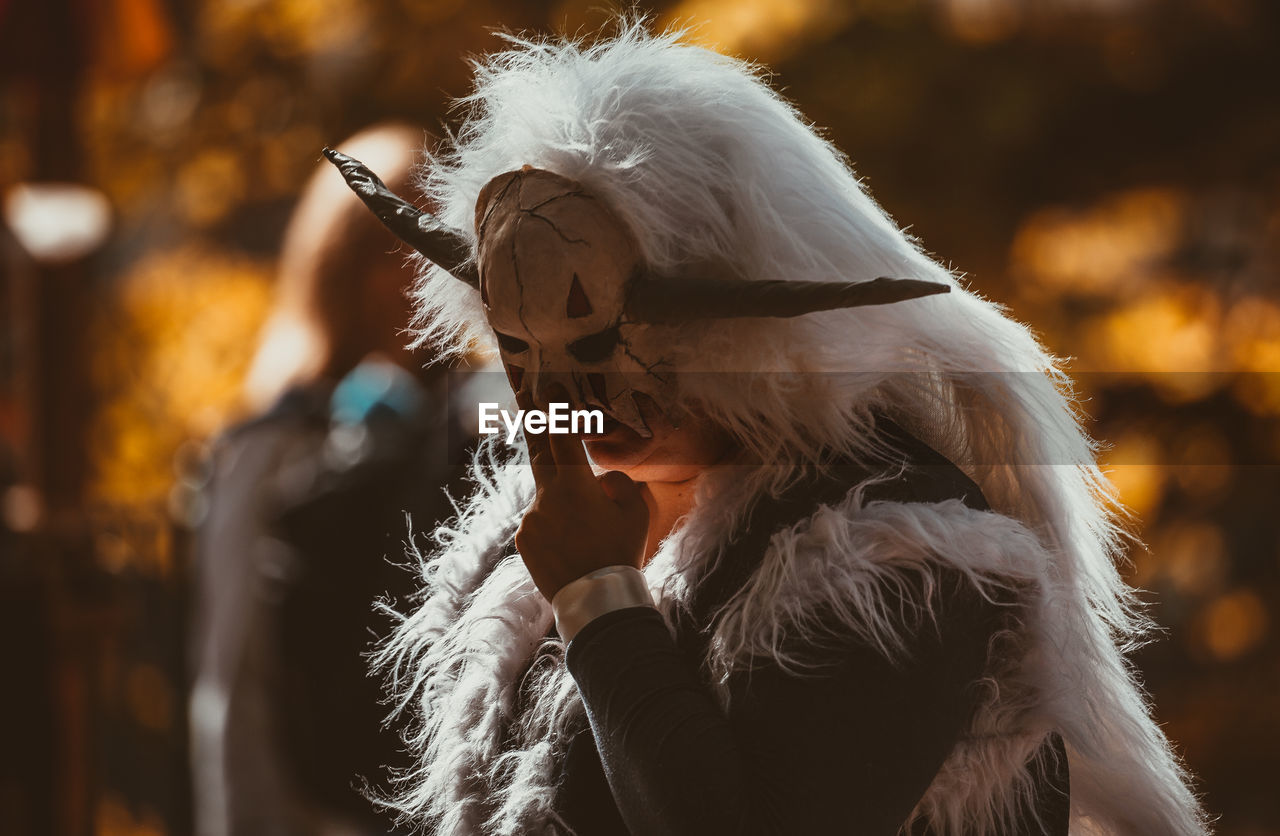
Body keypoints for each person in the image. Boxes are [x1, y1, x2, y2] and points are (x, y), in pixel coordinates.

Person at [328, 22, 1210, 836]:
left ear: (744, 328)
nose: (566, 390)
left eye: (600, 339)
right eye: (524, 345)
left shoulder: (894, 556)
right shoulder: (537, 531)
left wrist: (599, 595)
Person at [188, 124, 483, 835]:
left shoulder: (475, 422)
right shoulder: (272, 447)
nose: (414, 275)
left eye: (433, 247)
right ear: (336, 265)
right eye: (388, 251)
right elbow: (239, 680)